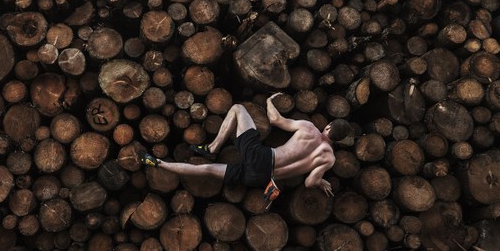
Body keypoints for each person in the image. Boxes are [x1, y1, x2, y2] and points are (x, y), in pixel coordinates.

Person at [140, 93, 351, 206]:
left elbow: (275, 120)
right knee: (207, 170)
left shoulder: (309, 128)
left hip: (261, 156)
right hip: (261, 179)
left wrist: (269, 101)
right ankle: (158, 163)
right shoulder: (329, 158)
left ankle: (212, 147)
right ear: (338, 141)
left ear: (329, 127)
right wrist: (321, 181)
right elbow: (309, 182)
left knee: (238, 109)